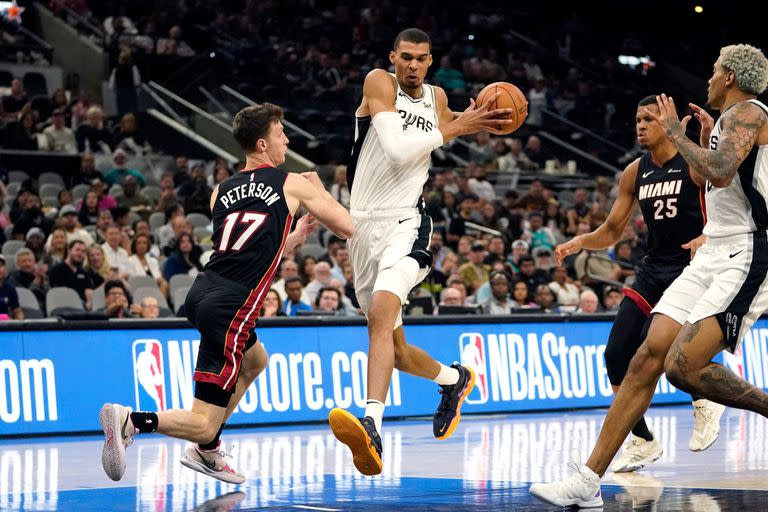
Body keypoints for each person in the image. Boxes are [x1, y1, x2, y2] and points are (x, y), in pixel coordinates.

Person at [530, 43, 768, 508]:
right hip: (713, 249)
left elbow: (718, 172)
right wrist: (696, 139)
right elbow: (713, 177)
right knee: (643, 359)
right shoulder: (723, 123)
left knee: (682, 367)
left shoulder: (751, 112)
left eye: (715, 69)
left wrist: (680, 136)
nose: (709, 77)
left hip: (748, 250)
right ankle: (587, 480)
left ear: (732, 78)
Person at [99, 102, 353, 485]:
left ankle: (209, 453)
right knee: (203, 423)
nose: (287, 138)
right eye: (281, 131)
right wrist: (318, 188)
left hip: (205, 292)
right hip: (232, 307)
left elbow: (243, 251)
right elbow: (346, 227)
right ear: (263, 144)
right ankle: (133, 421)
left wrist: (293, 238)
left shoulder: (222, 191)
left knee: (256, 361)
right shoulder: (291, 183)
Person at [328, 27, 515, 476]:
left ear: (431, 61)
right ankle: (455, 380)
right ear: (393, 57)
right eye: (406, 57)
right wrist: (456, 128)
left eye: (422, 58)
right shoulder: (379, 82)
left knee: (380, 313)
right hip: (363, 228)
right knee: (397, 348)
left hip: (407, 222)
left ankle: (371, 424)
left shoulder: (437, 100)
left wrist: (469, 122)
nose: (413, 65)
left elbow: (447, 131)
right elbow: (394, 148)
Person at [557, 94, 722, 475]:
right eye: (637, 120)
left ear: (670, 123)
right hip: (653, 267)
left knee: (657, 346)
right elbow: (614, 229)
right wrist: (582, 240)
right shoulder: (634, 171)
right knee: (615, 354)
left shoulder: (694, 162)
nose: (640, 126)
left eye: (649, 119)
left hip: (691, 267)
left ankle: (704, 399)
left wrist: (708, 236)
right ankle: (644, 439)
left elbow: (727, 207)